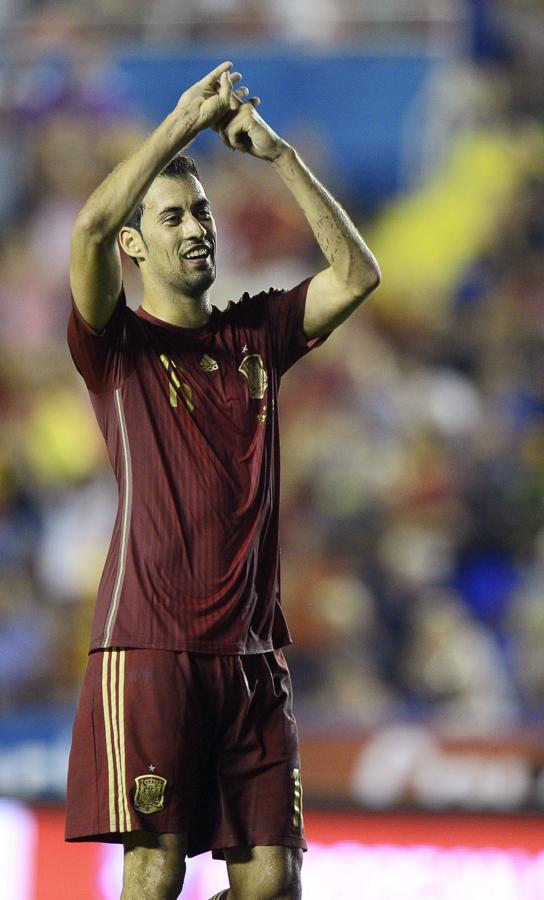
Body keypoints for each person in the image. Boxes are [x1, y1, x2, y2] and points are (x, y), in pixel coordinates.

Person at [64, 60, 380, 900]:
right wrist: (181, 120)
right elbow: (90, 227)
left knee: (274, 882)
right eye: (171, 217)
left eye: (202, 211)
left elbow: (358, 275)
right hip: (151, 646)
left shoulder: (256, 335)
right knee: (154, 872)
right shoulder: (115, 347)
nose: (196, 228)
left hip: (253, 655)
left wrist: (277, 157)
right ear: (136, 246)